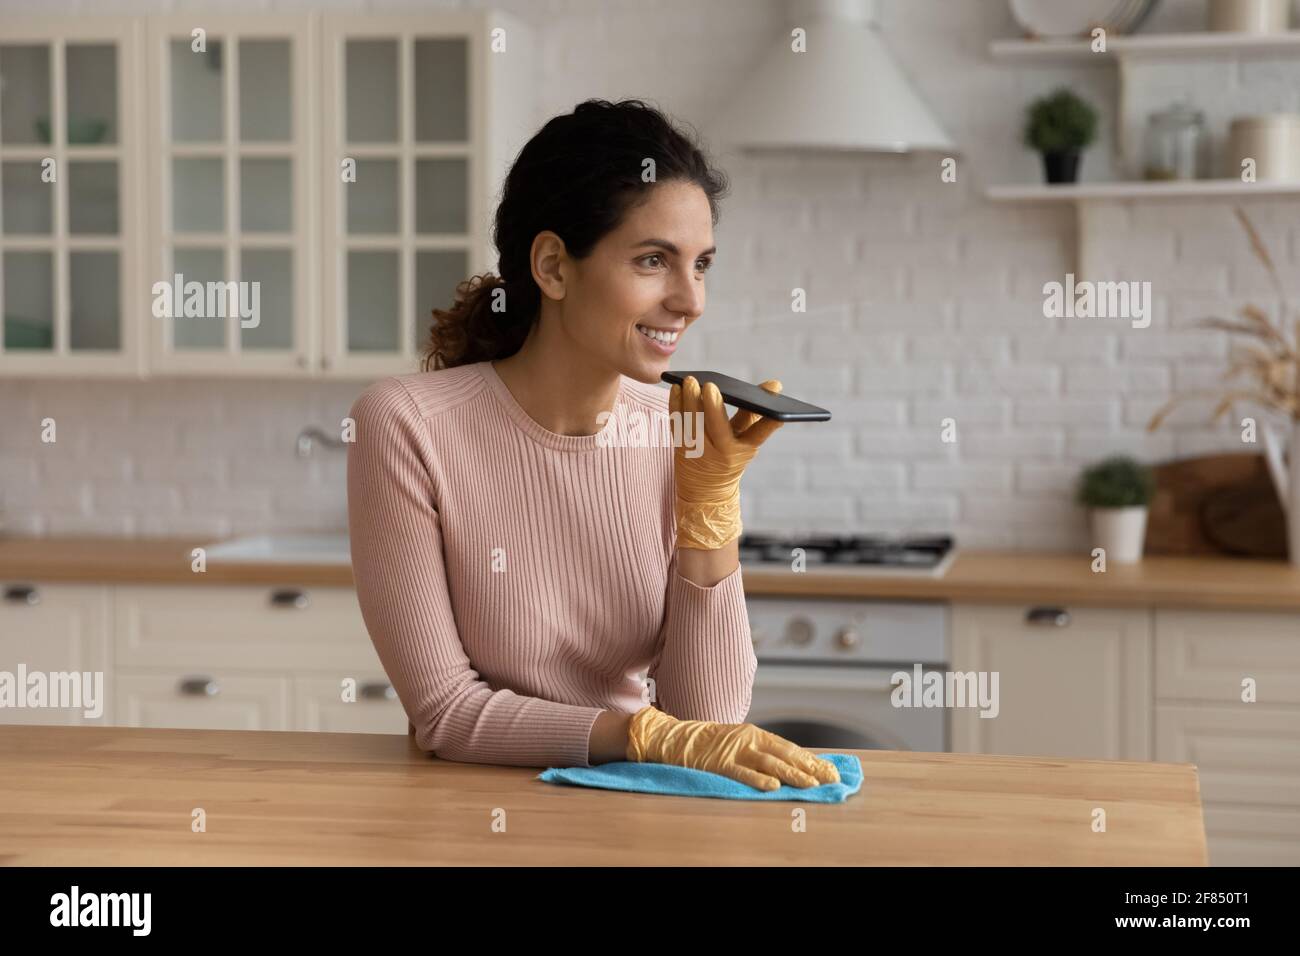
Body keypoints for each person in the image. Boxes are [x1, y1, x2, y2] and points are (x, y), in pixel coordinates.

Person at [346, 98, 838, 791]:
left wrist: (710, 511)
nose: (690, 299)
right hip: (471, 817)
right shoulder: (407, 425)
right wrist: (641, 732)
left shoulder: (679, 426)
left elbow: (709, 718)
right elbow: (446, 715)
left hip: (638, 810)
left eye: (701, 265)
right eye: (652, 260)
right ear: (552, 266)